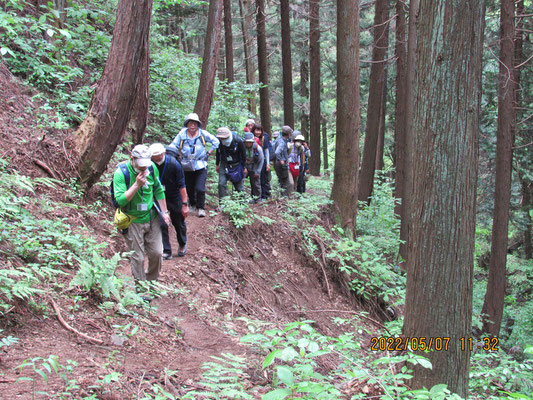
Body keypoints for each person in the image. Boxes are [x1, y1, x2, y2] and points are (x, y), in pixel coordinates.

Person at [112, 145, 171, 281]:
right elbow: (120, 200)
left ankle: (152, 281)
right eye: (141, 165)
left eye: (146, 165)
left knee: (157, 253)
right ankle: (142, 290)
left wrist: (165, 212)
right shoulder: (121, 173)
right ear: (132, 159)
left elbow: (158, 189)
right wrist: (136, 185)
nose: (144, 169)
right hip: (132, 220)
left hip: (151, 216)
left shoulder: (151, 168)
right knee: (137, 257)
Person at [171, 113, 219, 217]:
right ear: (187, 124)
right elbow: (173, 145)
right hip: (186, 165)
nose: (192, 126)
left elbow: (216, 141)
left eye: (195, 123)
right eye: (190, 123)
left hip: (200, 164)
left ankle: (201, 207)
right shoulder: (182, 134)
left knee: (200, 188)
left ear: (198, 125)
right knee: (189, 187)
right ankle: (192, 204)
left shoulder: (202, 134)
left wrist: (209, 152)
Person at [149, 143, 189, 259]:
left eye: (159, 156)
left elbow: (182, 185)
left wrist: (184, 204)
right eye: (154, 157)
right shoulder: (150, 165)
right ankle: (166, 251)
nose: (157, 159)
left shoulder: (174, 164)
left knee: (178, 222)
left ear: (164, 153)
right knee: (161, 223)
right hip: (158, 196)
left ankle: (182, 244)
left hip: (174, 195)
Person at [215, 127, 247, 201]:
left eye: (224, 138)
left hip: (236, 165)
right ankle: (222, 204)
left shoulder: (238, 141)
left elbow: (243, 155)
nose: (222, 139)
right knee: (221, 184)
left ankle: (242, 203)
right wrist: (217, 164)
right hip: (224, 164)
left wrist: (244, 167)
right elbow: (218, 152)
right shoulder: (219, 141)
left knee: (239, 186)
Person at [252, 124, 272, 200]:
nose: (258, 132)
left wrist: (267, 163)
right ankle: (255, 196)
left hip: (263, 160)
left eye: (259, 130)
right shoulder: (250, 137)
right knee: (254, 179)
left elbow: (267, 151)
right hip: (253, 161)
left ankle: (264, 196)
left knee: (263, 179)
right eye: (256, 130)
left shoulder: (264, 138)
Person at [243, 131, 265, 203]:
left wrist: (258, 171)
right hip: (244, 166)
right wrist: (243, 167)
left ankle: (258, 199)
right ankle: (241, 198)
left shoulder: (258, 148)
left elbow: (261, 160)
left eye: (250, 142)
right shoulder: (241, 147)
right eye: (247, 142)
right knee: (240, 181)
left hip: (254, 166)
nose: (248, 143)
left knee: (256, 183)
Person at [273, 125, 293, 197]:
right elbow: (277, 152)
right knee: (285, 182)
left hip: (278, 163)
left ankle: (281, 196)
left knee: (281, 181)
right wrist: (281, 159)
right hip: (281, 164)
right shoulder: (282, 142)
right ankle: (284, 197)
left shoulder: (280, 139)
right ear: (288, 134)